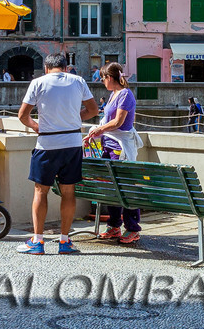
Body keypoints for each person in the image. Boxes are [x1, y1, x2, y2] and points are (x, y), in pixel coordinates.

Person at [16, 53, 99, 254]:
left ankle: (38, 241)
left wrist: (37, 126)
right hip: (72, 143)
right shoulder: (78, 81)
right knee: (69, 192)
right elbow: (93, 110)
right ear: (65, 67)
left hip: (47, 143)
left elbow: (22, 116)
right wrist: (72, 118)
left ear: (46, 68)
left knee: (40, 191)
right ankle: (64, 241)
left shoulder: (38, 83)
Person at [85, 63, 141, 244]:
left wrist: (98, 130)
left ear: (110, 77)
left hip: (119, 147)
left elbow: (118, 122)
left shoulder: (125, 94)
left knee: (125, 186)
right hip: (108, 145)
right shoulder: (113, 95)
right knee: (111, 187)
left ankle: (132, 227)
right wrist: (97, 132)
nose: (102, 81)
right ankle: (114, 225)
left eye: (102, 78)